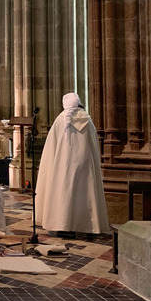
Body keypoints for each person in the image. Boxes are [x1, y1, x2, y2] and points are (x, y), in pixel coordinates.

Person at [36, 92, 110, 236]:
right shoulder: (88, 121)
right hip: (85, 165)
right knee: (85, 193)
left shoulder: (61, 120)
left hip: (63, 166)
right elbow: (94, 145)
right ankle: (88, 226)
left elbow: (51, 147)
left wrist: (51, 166)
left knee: (64, 194)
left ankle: (63, 225)